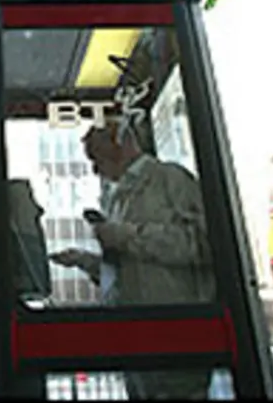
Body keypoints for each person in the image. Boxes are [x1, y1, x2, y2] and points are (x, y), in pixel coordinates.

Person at [51, 120, 216, 400]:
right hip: (135, 342)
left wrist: (129, 236)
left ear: (123, 143)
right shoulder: (115, 199)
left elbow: (202, 245)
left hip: (176, 339)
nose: (94, 169)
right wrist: (85, 261)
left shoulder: (170, 180)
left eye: (98, 157)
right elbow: (127, 270)